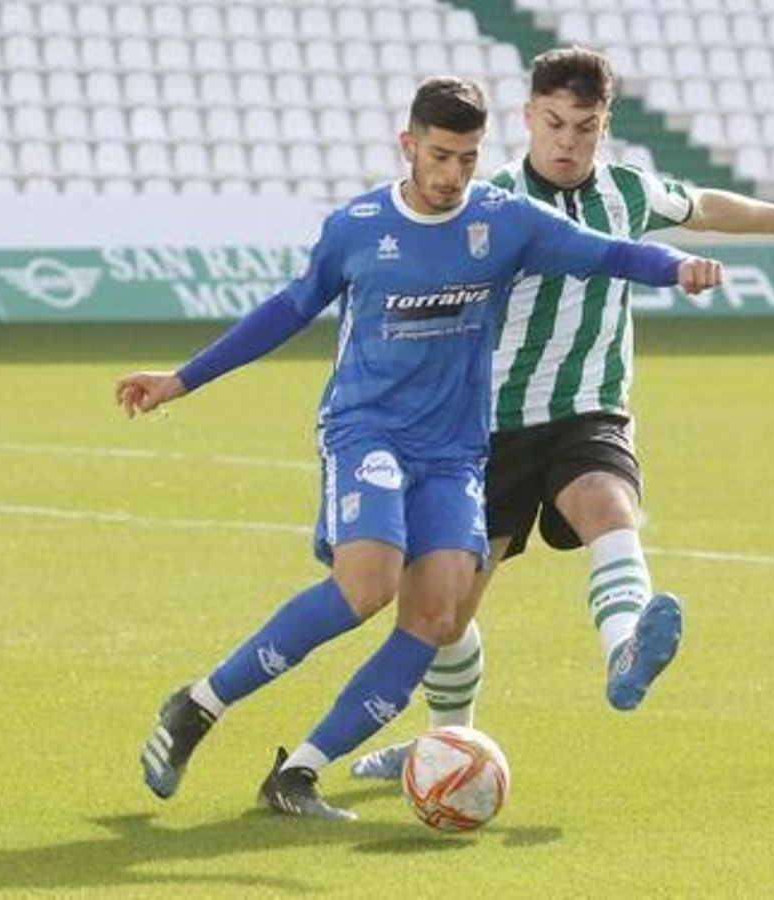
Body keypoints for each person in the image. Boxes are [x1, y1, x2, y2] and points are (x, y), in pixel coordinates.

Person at [118, 76, 723, 821]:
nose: (451, 176)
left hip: (454, 453)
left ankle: (296, 776)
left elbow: (605, 254)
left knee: (435, 619)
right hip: (366, 431)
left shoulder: (505, 222)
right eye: (439, 156)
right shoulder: (359, 225)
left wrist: (679, 268)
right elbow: (287, 308)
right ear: (409, 146)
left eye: (467, 159)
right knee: (365, 586)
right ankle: (199, 704)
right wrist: (183, 378)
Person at [351, 48, 774, 780]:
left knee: (611, 509)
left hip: (589, 413)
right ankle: (443, 744)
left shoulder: (627, 192)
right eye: (553, 122)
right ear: (527, 118)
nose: (568, 140)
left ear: (603, 125)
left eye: (584, 126)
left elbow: (704, 205)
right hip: (488, 431)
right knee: (446, 615)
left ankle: (624, 650)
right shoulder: (486, 206)